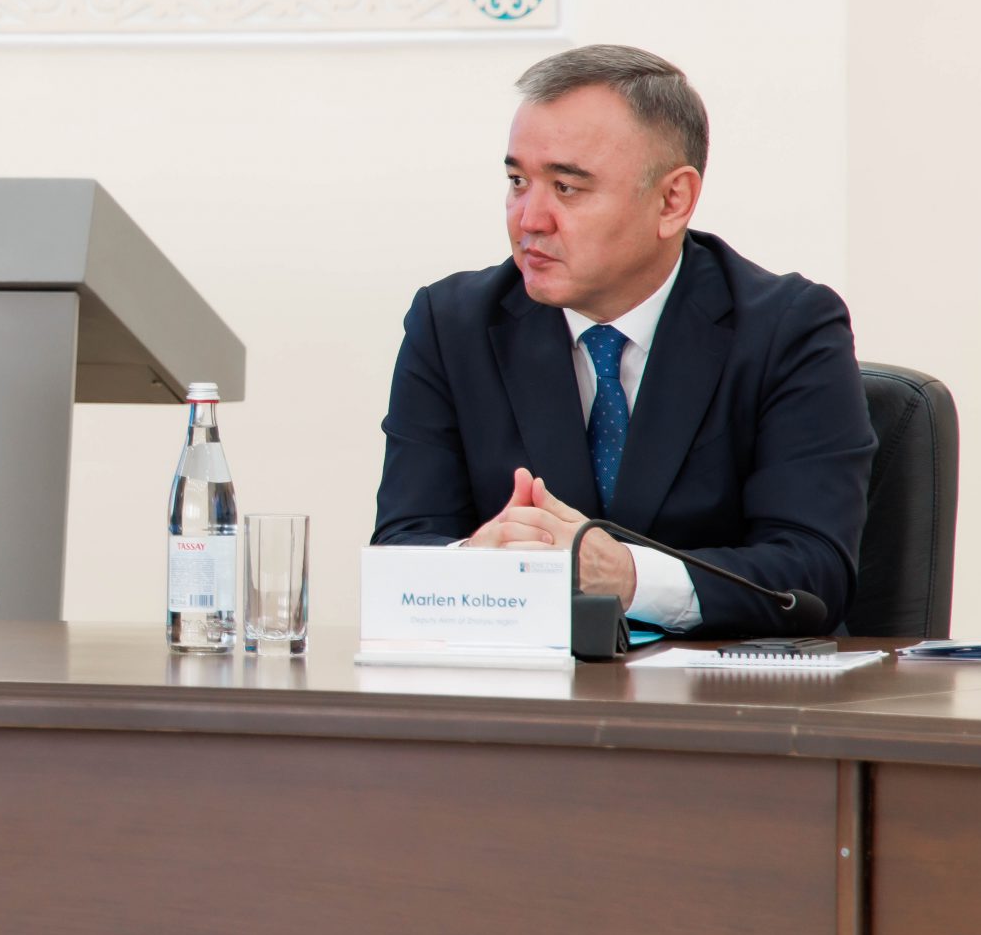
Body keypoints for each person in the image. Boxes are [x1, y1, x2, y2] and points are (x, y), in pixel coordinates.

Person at [374, 45, 875, 637]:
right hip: (531, 686)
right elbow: (402, 546)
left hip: (720, 690)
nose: (529, 219)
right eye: (518, 182)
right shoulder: (451, 324)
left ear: (672, 200)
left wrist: (629, 577)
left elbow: (813, 574)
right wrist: (477, 562)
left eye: (566, 187)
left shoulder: (788, 329)